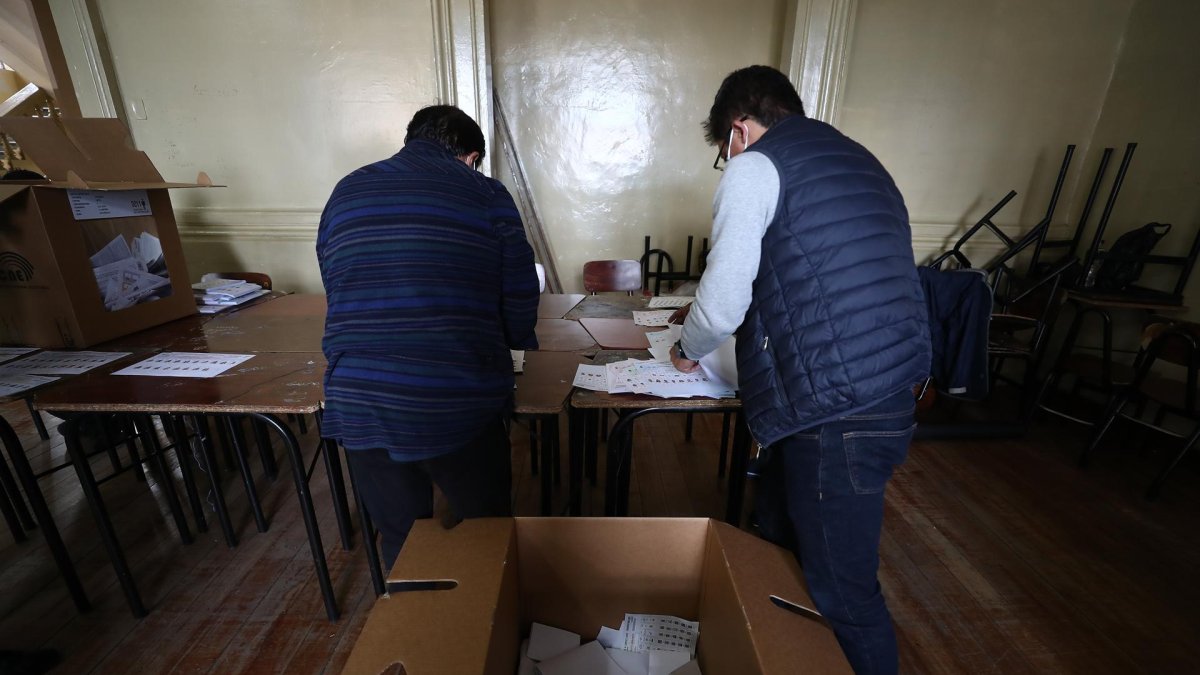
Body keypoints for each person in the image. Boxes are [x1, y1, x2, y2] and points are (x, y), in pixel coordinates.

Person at [670, 66, 931, 674]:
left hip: (838, 404)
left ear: (738, 129)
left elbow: (725, 297)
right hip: (891, 384)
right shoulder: (860, 160)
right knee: (779, 536)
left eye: (722, 150)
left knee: (844, 591)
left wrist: (686, 349)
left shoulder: (756, 165)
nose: (726, 159)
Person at [317, 104, 539, 567]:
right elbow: (519, 295)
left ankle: (414, 624)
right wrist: (512, 347)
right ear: (470, 156)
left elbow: (336, 280)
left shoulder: (346, 191)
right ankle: (488, 617)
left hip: (358, 398)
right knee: (487, 531)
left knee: (403, 539)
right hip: (454, 395)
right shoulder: (486, 193)